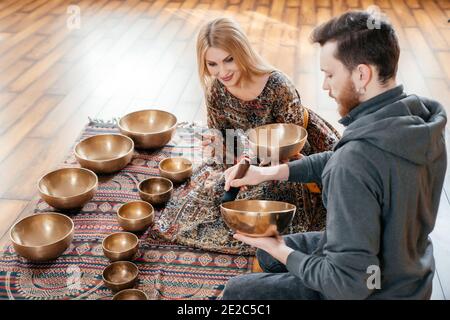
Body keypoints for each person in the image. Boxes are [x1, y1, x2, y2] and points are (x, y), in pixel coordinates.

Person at [222, 10, 447, 299]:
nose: (325, 86)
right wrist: (267, 172)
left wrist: (281, 250)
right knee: (267, 257)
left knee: (237, 293)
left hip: (370, 290)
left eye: (329, 74)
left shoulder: (354, 163)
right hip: (407, 272)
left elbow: (347, 285)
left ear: (362, 74)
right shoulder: (417, 122)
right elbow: (352, 163)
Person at [154, 17, 340, 255]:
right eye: (212, 64)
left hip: (290, 155)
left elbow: (288, 145)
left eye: (228, 60)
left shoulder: (278, 85)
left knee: (274, 204)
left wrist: (250, 162)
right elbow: (225, 139)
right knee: (215, 197)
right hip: (250, 154)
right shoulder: (217, 90)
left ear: (242, 51)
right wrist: (221, 146)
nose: (222, 71)